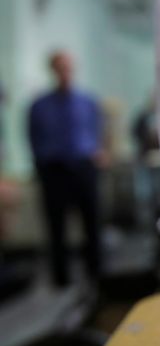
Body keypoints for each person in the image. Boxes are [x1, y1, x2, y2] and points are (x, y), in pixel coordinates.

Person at [28, 51, 104, 287]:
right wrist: (42, 168)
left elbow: (97, 132)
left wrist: (99, 154)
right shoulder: (39, 106)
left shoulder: (88, 102)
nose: (64, 72)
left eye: (68, 67)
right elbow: (32, 138)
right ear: (52, 70)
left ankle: (97, 275)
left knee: (92, 223)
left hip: (83, 168)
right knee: (56, 228)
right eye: (60, 67)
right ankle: (60, 280)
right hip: (55, 171)